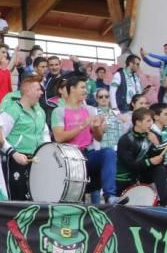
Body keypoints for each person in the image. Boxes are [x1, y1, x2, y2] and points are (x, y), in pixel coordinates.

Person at [50, 75, 118, 203]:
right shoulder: (59, 111)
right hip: (69, 157)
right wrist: (82, 126)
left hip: (88, 154)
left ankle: (110, 195)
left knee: (108, 152)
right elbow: (59, 137)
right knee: (76, 199)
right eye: (82, 87)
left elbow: (98, 137)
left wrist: (97, 128)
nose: (85, 90)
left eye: (86, 88)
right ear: (72, 89)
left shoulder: (90, 110)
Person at [0, 74, 50, 201]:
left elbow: (45, 134)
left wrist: (46, 152)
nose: (41, 93)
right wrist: (14, 154)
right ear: (27, 91)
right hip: (15, 158)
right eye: (38, 89)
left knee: (33, 196)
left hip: (36, 159)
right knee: (17, 197)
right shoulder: (12, 110)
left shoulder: (40, 111)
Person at [115, 108, 167, 206]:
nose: (151, 123)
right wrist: (150, 161)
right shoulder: (125, 140)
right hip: (124, 179)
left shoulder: (150, 137)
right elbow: (130, 165)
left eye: (152, 121)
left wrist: (156, 144)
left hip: (139, 175)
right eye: (148, 121)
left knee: (159, 169)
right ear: (138, 122)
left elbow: (159, 161)